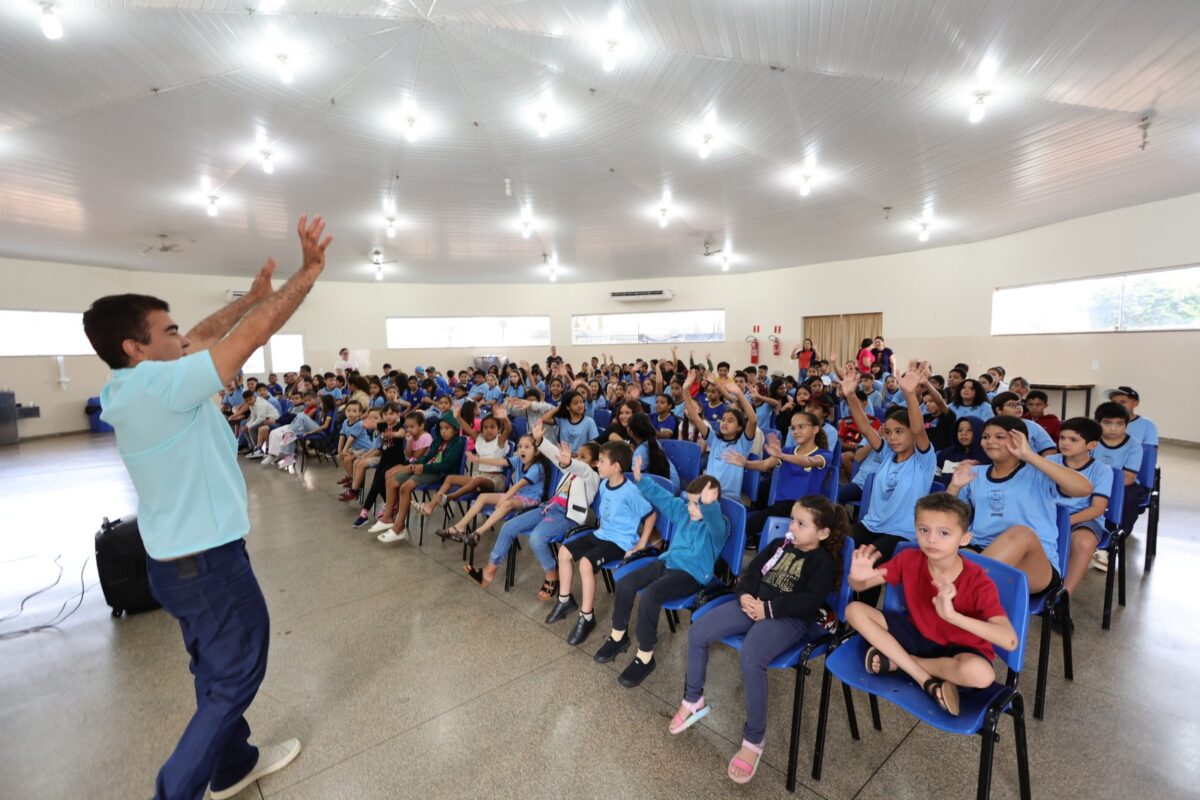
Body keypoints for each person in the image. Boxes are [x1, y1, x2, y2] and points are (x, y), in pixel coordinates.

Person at [82, 213, 331, 800]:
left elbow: (199, 334)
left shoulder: (129, 386)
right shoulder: (161, 387)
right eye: (167, 332)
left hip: (175, 565)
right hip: (208, 565)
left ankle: (233, 764)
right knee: (235, 675)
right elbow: (251, 338)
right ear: (135, 348)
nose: (182, 337)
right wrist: (308, 273)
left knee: (213, 671)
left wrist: (247, 297)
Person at [672, 496, 847, 784]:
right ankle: (694, 700)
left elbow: (809, 600)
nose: (792, 527)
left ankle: (753, 740)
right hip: (753, 605)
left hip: (785, 617)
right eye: (792, 520)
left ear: (823, 533)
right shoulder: (781, 546)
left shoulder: (822, 562)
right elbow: (753, 572)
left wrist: (768, 609)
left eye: (801, 524)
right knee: (698, 630)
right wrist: (745, 597)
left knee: (751, 657)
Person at [846, 493, 1018, 716]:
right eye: (923, 530)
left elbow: (1010, 641)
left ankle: (899, 663)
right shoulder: (908, 558)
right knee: (854, 610)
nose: (931, 539)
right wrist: (856, 577)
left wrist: (953, 616)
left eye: (944, 533)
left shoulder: (978, 581)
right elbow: (861, 585)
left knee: (982, 675)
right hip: (918, 635)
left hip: (961, 649)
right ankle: (923, 678)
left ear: (965, 538)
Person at [595, 465, 728, 688]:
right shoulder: (686, 512)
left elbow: (715, 523)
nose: (691, 508)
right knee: (626, 582)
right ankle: (618, 635)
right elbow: (665, 499)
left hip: (691, 574)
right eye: (690, 501)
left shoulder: (720, 526)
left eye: (698, 504)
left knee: (650, 595)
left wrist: (708, 506)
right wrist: (641, 480)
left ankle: (645, 656)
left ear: (712, 502)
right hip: (667, 562)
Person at [947, 417, 1092, 593]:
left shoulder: (1039, 472)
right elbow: (946, 519)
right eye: (986, 437)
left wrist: (1030, 455)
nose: (990, 441)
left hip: (1033, 563)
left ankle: (966, 591)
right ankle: (970, 592)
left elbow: (1084, 489)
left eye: (1000, 437)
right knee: (954, 551)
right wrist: (954, 486)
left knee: (1021, 533)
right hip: (982, 550)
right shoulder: (974, 473)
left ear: (1020, 440)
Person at [544, 442, 656, 647]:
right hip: (602, 534)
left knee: (586, 563)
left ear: (617, 466)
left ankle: (586, 617)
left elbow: (651, 515)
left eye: (602, 462)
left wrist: (641, 544)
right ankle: (564, 600)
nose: (598, 465)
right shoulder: (604, 484)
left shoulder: (630, 491)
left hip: (620, 542)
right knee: (564, 552)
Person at [481, 420, 602, 597]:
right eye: (578, 455)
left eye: (583, 457)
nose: (577, 458)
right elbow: (556, 456)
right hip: (549, 508)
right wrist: (540, 441)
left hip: (568, 517)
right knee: (508, 527)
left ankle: (551, 574)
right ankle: (491, 566)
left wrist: (570, 462)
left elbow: (580, 468)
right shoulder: (570, 469)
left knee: (536, 538)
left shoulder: (591, 476)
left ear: (596, 463)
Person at [837, 361, 936, 570]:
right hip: (871, 525)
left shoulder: (923, 461)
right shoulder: (887, 454)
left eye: (899, 431)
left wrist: (909, 394)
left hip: (900, 533)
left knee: (865, 562)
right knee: (834, 548)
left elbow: (919, 429)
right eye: (889, 432)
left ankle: (865, 603)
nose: (892, 437)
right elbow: (865, 427)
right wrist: (851, 396)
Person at [446, 433, 553, 552]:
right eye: (520, 446)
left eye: (527, 447)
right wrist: (478, 459)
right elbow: (499, 461)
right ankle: (459, 527)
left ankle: (478, 533)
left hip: (532, 500)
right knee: (483, 497)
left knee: (507, 504)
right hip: (517, 496)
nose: (522, 449)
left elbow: (518, 485)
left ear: (536, 451)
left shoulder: (537, 468)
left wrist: (504, 499)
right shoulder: (518, 459)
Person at [740, 412, 832, 543]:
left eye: (801, 426)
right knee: (747, 525)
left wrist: (781, 456)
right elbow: (765, 465)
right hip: (782, 506)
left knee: (748, 526)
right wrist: (745, 463)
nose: (796, 431)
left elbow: (809, 461)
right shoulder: (788, 451)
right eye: (793, 428)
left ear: (815, 429)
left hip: (806, 508)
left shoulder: (824, 454)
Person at [376, 412, 466, 544]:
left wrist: (424, 467)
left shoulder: (457, 443)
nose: (443, 432)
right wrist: (417, 464)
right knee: (392, 480)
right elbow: (428, 456)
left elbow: (446, 465)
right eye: (441, 428)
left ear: (455, 429)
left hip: (439, 473)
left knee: (405, 487)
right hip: (426, 468)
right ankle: (387, 517)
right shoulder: (439, 441)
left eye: (447, 428)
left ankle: (399, 527)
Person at [1047, 418, 1112, 596]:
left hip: (1082, 518)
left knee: (1084, 542)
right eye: (1062, 438)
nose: (1065, 443)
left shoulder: (1101, 470)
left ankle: (1063, 597)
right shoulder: (1050, 461)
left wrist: (1065, 521)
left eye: (1073, 440)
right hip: (1047, 514)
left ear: (1092, 445)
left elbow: (1097, 509)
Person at [681, 370, 757, 496]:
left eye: (730, 421)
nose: (724, 423)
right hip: (707, 495)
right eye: (723, 420)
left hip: (728, 498)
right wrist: (685, 390)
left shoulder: (743, 444)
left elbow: (753, 420)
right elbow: (694, 416)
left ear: (739, 427)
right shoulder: (714, 439)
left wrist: (738, 393)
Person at [1092, 401, 1146, 546]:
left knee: (1130, 497)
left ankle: (1113, 542)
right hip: (1091, 483)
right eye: (1107, 423)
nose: (1113, 428)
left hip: (1121, 485)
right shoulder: (1090, 441)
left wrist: (1100, 485)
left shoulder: (1134, 446)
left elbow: (1128, 478)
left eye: (1119, 424)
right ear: (1098, 423)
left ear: (1126, 425)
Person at [991, 391, 1056, 454]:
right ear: (999, 410)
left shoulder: (1031, 425)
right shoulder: (990, 427)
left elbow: (1050, 450)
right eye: (1012, 405)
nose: (1018, 407)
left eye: (1019, 404)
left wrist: (1037, 463)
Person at [543, 389, 599, 455]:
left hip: (580, 457)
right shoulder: (562, 420)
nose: (580, 405)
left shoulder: (589, 422)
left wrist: (580, 455)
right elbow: (544, 418)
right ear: (568, 407)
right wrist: (560, 407)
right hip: (563, 455)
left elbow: (594, 444)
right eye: (576, 403)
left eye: (581, 402)